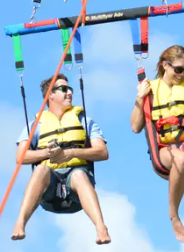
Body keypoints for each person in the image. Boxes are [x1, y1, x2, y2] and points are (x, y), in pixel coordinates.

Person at [130, 45, 184, 250]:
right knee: (180, 160)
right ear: (165, 65)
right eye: (178, 69)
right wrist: (139, 98)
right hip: (164, 146)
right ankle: (174, 217)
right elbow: (135, 126)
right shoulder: (150, 88)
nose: (182, 74)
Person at [11, 74, 111, 245]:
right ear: (50, 95)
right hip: (49, 186)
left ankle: (101, 227)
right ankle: (20, 222)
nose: (69, 93)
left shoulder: (84, 121)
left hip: (76, 184)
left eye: (70, 89)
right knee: (41, 169)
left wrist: (70, 153)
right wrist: (48, 154)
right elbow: (20, 157)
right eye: (64, 89)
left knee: (79, 175)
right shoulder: (35, 125)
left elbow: (102, 152)